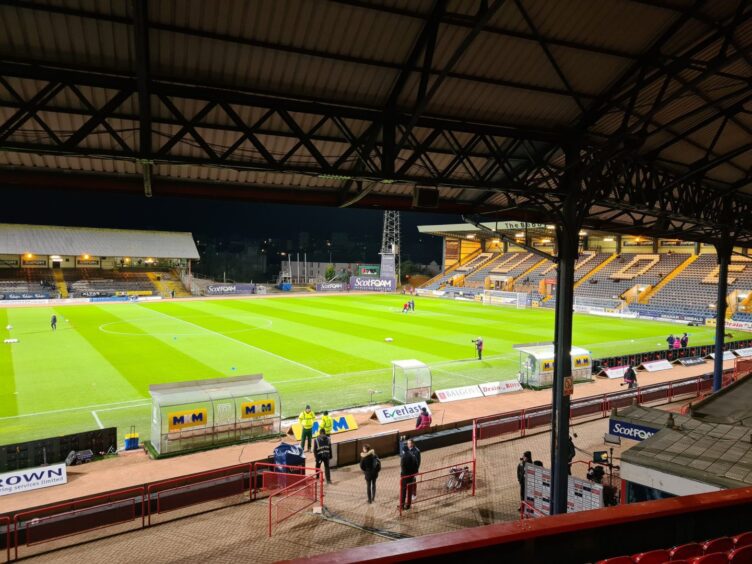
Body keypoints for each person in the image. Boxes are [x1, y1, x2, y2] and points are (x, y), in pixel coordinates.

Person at [400, 443, 419, 511]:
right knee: (410, 490)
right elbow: (416, 465)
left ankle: (402, 505)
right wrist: (414, 473)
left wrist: (403, 475)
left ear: (403, 451)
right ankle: (408, 505)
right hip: (411, 476)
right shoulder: (413, 455)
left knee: (403, 490)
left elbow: (403, 467)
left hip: (405, 477)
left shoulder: (403, 457)